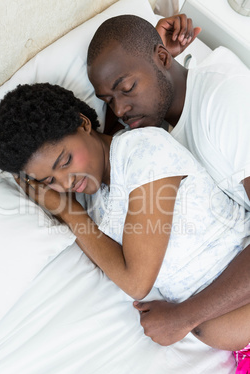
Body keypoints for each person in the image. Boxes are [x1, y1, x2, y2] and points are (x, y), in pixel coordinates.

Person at [0, 83, 250, 357]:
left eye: (65, 161)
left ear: (83, 123)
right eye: (49, 181)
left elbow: (136, 282)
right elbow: (111, 267)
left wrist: (68, 212)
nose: (66, 182)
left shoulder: (142, 152)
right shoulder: (93, 200)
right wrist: (69, 210)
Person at [86, 13, 250, 347]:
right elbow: (122, 151)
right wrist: (154, 62)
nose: (119, 111)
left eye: (127, 88)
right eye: (107, 101)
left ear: (162, 59)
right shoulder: (156, 123)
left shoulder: (225, 100)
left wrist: (184, 317)